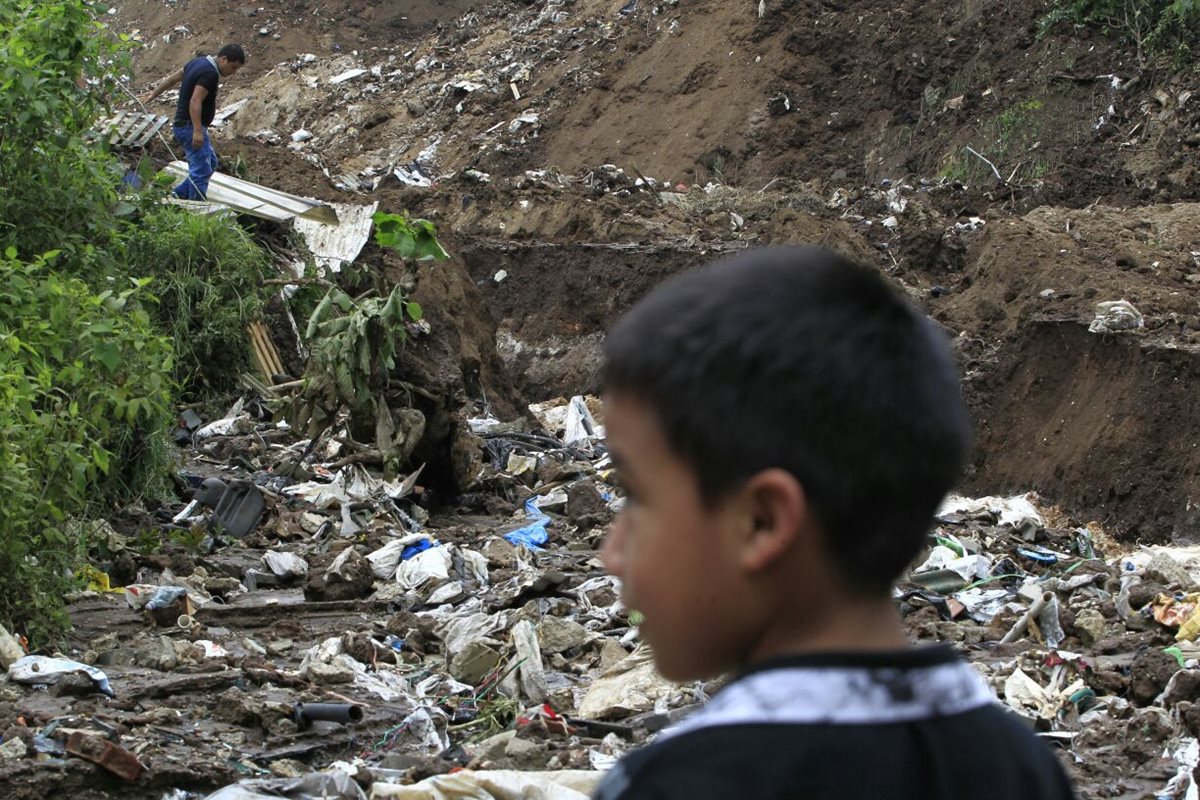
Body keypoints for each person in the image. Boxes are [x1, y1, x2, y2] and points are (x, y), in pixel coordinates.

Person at [594, 246, 1075, 800]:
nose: (612, 552)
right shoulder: (1025, 769)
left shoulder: (673, 786)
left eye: (633, 495)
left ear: (761, 521)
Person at [140, 44, 246, 200]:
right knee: (201, 170)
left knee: (211, 162)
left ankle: (177, 196)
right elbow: (195, 101)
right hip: (190, 126)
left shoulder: (199, 62)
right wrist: (197, 130)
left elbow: (174, 77)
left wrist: (154, 93)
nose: (233, 72)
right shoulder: (210, 74)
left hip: (187, 125)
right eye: (233, 67)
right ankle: (194, 209)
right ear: (223, 59)